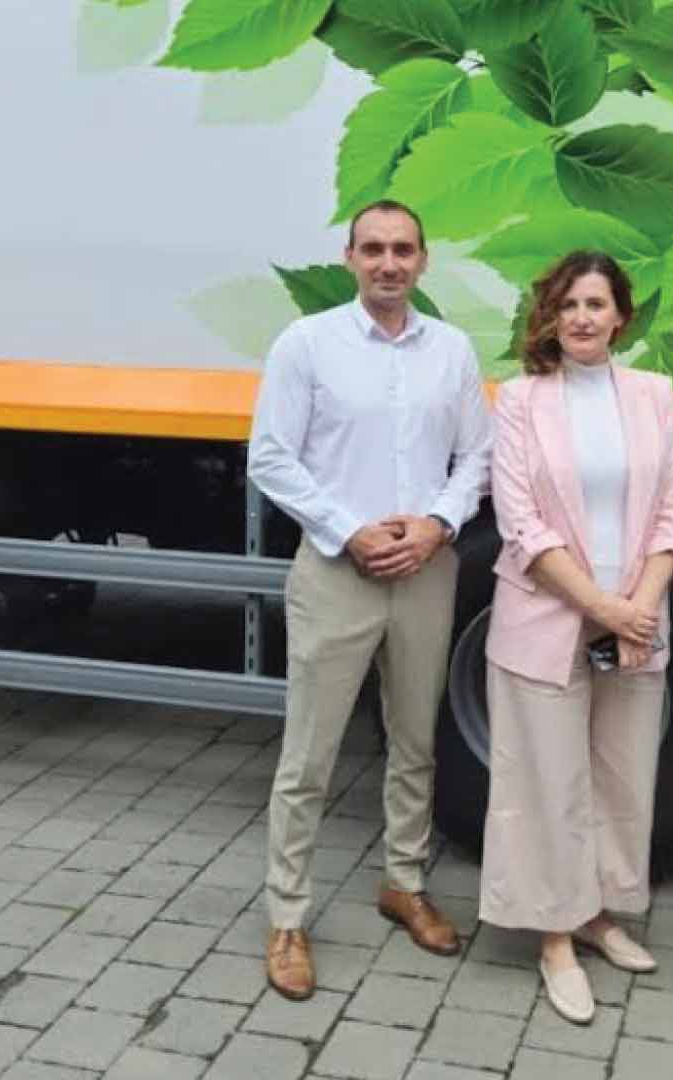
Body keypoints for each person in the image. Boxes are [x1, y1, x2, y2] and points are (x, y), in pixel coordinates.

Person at [247, 199, 492, 1001]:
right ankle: (288, 918)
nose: (390, 263)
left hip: (425, 569)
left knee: (415, 740)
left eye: (404, 250)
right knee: (308, 757)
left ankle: (404, 883)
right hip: (337, 571)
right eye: (374, 249)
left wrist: (436, 525)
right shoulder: (307, 344)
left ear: (424, 261)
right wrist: (349, 531)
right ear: (350, 258)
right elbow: (271, 458)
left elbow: (477, 456)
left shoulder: (451, 350)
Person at [479, 251, 673, 1025]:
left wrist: (639, 607)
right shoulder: (520, 401)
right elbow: (522, 526)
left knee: (620, 776)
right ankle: (554, 936)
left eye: (596, 304)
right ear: (551, 315)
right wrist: (604, 607)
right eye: (568, 304)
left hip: (636, 618)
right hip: (546, 619)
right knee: (548, 782)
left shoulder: (654, 396)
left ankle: (598, 912)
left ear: (620, 317)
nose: (581, 318)